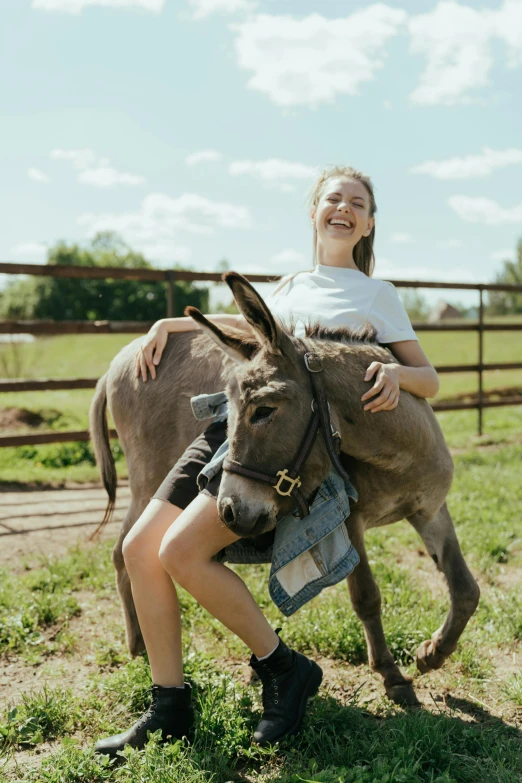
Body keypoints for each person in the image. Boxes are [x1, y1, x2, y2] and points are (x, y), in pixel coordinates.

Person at [94, 165, 439, 758]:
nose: (344, 207)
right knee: (136, 550)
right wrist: (168, 324)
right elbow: (247, 328)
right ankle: (170, 703)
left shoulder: (376, 296)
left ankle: (283, 669)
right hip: (234, 426)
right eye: (333, 197)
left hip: (288, 446)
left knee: (178, 551)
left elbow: (428, 378)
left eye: (357, 202)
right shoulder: (286, 286)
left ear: (369, 222)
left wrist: (396, 373)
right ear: (314, 211)